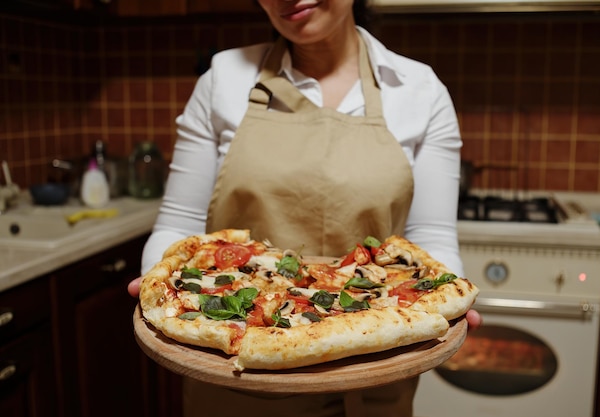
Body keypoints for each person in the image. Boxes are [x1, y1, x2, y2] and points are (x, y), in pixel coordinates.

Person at [128, 1, 482, 416]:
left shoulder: (419, 89)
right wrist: (163, 289)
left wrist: (441, 296)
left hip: (375, 378)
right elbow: (179, 224)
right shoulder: (224, 78)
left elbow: (431, 237)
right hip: (235, 387)